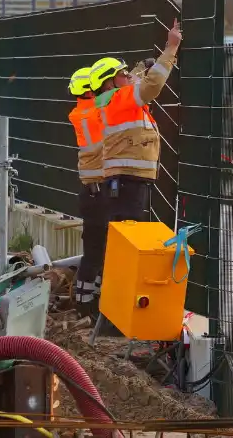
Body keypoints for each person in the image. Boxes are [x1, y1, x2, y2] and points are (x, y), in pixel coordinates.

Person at [90, 20, 182, 223]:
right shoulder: (117, 99)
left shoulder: (109, 100)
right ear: (109, 83)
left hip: (126, 180)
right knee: (128, 237)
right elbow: (152, 85)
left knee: (125, 237)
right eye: (123, 74)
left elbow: (134, 79)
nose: (128, 76)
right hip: (127, 181)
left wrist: (143, 66)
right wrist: (171, 48)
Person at [67, 66, 107, 319]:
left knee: (92, 249)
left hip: (89, 189)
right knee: (103, 249)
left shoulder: (78, 113)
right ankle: (97, 302)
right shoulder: (97, 112)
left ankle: (83, 301)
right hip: (102, 189)